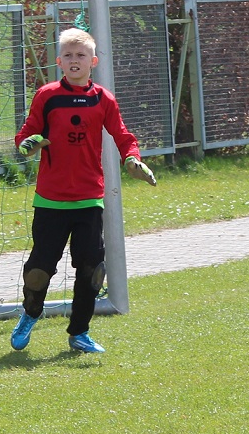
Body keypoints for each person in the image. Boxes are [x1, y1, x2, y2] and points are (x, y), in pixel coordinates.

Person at [9, 28, 157, 354]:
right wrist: (28, 145)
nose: (75, 61)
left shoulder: (104, 99)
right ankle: (30, 314)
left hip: (89, 198)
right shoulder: (46, 96)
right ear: (59, 61)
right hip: (50, 200)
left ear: (93, 61)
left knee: (92, 269)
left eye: (81, 56)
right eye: (69, 56)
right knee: (38, 271)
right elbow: (26, 135)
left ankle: (79, 332)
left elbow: (123, 136)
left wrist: (132, 159)